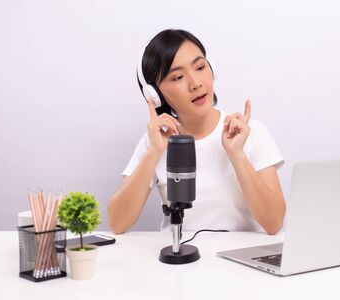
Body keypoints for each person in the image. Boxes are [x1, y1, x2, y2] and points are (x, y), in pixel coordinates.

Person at [108, 29, 285, 235]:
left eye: (200, 67)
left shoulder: (251, 133)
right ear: (155, 95)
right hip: (180, 259)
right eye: (178, 77)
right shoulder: (154, 143)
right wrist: (154, 152)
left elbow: (274, 223)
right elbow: (117, 223)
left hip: (239, 261)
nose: (196, 83)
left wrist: (237, 154)